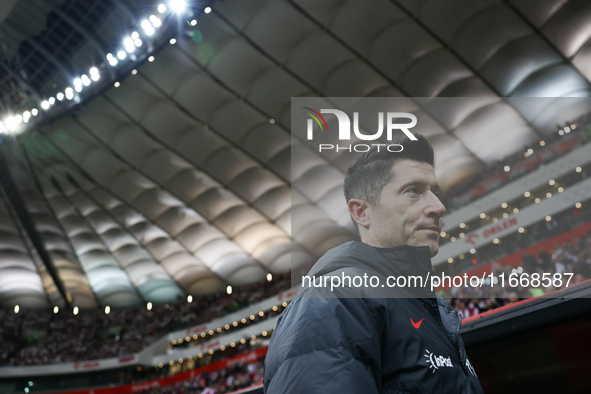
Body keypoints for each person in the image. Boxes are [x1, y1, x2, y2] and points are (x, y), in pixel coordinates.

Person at [263, 134, 483, 393]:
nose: (438, 207)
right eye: (414, 191)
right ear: (361, 212)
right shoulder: (337, 296)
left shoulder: (432, 308)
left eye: (435, 192)